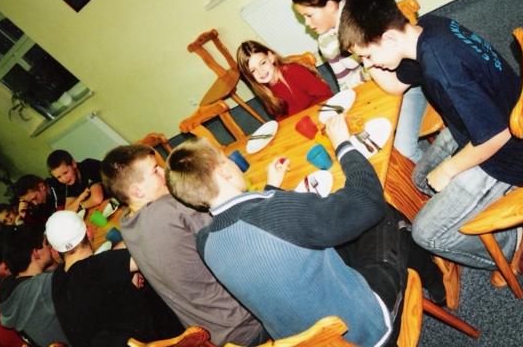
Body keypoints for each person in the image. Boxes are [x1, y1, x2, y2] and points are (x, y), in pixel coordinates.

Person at [165, 116, 445, 346]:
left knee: (334, 231)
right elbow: (367, 200)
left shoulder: (204, 242)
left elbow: (258, 237)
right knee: (383, 214)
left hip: (303, 341)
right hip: (363, 332)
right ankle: (437, 283)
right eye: (226, 159)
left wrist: (271, 189)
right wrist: (343, 145)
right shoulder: (275, 211)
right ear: (223, 172)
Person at [338, 0, 523, 283]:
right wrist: (364, 50)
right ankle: (479, 204)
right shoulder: (428, 28)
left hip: (510, 152)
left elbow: (497, 136)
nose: (368, 65)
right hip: (491, 122)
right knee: (421, 180)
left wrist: (450, 169)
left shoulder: (442, 69)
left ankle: (514, 243)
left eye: (368, 56)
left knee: (426, 234)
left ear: (390, 38)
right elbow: (395, 86)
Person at [101, 144, 264, 346]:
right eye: (155, 170)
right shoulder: (171, 208)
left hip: (211, 334)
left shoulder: (127, 223)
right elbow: (240, 232)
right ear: (136, 190)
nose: (164, 172)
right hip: (248, 325)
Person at [292, 0, 428, 162]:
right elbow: (343, 82)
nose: (307, 24)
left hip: (406, 82)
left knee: (401, 150)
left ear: (330, 6)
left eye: (309, 16)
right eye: (303, 18)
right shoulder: (325, 41)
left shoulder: (363, 14)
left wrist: (357, 79)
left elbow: (394, 61)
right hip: (375, 91)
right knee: (363, 145)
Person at [46, 210, 184, 347]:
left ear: (55, 252)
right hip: (151, 341)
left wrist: (125, 272)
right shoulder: (95, 268)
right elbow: (146, 255)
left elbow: (102, 270)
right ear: (89, 232)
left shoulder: (58, 277)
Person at [0, 223, 69, 347]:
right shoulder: (42, 287)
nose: (50, 246)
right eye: (46, 243)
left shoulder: (12, 288)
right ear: (35, 253)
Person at [236, 40, 333, 121]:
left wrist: (311, 117)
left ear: (271, 57)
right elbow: (282, 119)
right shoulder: (266, 92)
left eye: (263, 63)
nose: (260, 71)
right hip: (298, 125)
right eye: (253, 70)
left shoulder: (294, 71)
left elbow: (326, 95)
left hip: (321, 114)